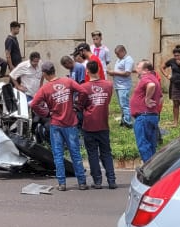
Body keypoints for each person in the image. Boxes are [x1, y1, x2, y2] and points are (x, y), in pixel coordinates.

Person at [29, 61, 87, 191]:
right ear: (54, 70)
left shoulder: (45, 89)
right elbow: (83, 91)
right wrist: (78, 106)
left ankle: (62, 183)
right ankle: (82, 182)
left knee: (58, 155)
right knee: (75, 153)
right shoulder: (68, 81)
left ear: (44, 74)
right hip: (71, 124)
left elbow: (33, 104)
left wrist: (46, 113)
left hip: (55, 125)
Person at [76, 60, 117, 189]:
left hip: (89, 124)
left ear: (87, 71)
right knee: (106, 153)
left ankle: (97, 181)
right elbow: (107, 101)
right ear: (99, 69)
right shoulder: (109, 85)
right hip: (103, 124)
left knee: (92, 153)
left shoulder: (84, 87)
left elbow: (80, 105)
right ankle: (111, 180)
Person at [130, 60, 163, 162]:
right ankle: (154, 167)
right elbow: (161, 98)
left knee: (143, 145)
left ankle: (148, 168)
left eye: (138, 67)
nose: (136, 69)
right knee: (151, 145)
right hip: (151, 116)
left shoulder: (146, 78)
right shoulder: (154, 78)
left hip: (144, 117)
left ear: (146, 70)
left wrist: (147, 99)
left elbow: (151, 85)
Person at [110, 45, 135, 128]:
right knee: (122, 104)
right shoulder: (119, 59)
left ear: (123, 51)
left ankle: (128, 122)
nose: (117, 55)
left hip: (124, 86)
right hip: (118, 85)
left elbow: (127, 73)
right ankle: (124, 120)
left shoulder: (128, 60)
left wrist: (114, 72)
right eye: (116, 54)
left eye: (118, 54)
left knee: (125, 104)